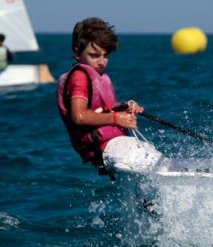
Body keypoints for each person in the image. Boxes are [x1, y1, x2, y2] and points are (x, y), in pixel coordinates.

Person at [57, 17, 163, 178]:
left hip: (114, 146)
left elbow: (101, 108)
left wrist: (123, 107)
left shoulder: (98, 76)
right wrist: (116, 118)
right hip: (106, 148)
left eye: (105, 56)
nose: (101, 62)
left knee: (153, 156)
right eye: (94, 55)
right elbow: (79, 116)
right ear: (77, 52)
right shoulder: (79, 76)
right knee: (153, 163)